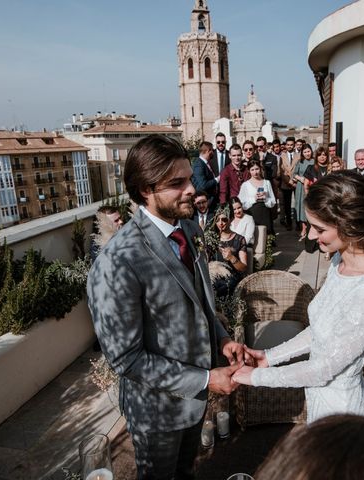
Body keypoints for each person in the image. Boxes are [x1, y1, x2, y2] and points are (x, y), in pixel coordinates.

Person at [87, 134, 244, 479]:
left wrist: (222, 339)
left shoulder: (188, 228)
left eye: (189, 178)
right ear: (146, 189)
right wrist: (205, 378)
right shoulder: (118, 262)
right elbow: (127, 359)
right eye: (177, 183)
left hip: (194, 404)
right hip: (156, 413)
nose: (192, 189)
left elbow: (201, 302)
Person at [233, 171, 364, 424]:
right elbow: (320, 331)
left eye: (319, 228)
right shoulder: (338, 260)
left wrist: (253, 377)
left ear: (349, 224)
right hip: (320, 402)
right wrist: (270, 356)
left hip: (343, 417)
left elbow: (322, 370)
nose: (310, 236)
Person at [208, 203, 248, 298]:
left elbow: (243, 267)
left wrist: (231, 257)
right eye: (217, 220)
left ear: (231, 219)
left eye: (224, 219)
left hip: (231, 277)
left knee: (223, 286)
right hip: (214, 275)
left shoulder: (239, 239)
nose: (220, 223)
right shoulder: (211, 239)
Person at [239, 159, 276, 235]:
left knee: (266, 237)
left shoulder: (267, 183)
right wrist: (254, 199)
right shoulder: (245, 185)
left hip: (265, 214)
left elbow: (273, 201)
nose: (255, 172)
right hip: (252, 214)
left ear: (260, 168)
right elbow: (242, 203)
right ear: (249, 171)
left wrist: (265, 198)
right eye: (252, 170)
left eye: (257, 169)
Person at [291, 143, 314, 240]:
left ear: (311, 151)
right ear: (302, 153)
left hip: (311, 187)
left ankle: (311, 229)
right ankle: (303, 229)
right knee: (301, 207)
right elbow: (294, 174)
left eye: (308, 151)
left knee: (310, 207)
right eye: (305, 152)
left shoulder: (314, 161)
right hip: (300, 187)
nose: (307, 153)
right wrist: (301, 179)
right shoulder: (300, 162)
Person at [192, 140, 219, 210]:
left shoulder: (206, 163)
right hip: (204, 202)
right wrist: (217, 179)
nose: (213, 152)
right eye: (212, 150)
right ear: (208, 151)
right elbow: (203, 185)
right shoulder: (199, 165)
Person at [278, 137, 297, 230]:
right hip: (286, 184)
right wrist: (289, 181)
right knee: (287, 205)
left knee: (297, 204)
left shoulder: (298, 155)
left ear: (294, 145)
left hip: (297, 183)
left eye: (291, 145)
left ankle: (298, 223)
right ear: (285, 145)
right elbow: (281, 171)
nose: (289, 146)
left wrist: (294, 180)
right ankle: (289, 222)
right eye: (288, 145)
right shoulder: (282, 156)